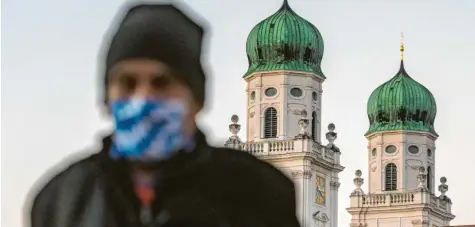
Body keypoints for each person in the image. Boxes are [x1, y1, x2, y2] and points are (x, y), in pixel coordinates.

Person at [27, 3, 300, 227]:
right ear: (106, 97)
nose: (143, 98)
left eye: (162, 82)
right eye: (128, 82)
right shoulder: (60, 200)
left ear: (197, 98)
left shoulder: (258, 192)